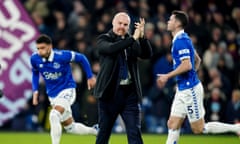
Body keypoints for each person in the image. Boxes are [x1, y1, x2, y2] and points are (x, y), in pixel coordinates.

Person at [156, 10, 240, 144]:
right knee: (172, 123)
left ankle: (237, 128)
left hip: (190, 91)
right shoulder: (183, 38)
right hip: (183, 88)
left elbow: (188, 65)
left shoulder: (180, 41)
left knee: (199, 128)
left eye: (171, 19)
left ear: (177, 23)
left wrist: (168, 76)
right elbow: (197, 60)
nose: (168, 21)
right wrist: (189, 77)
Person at [94, 12, 152, 144]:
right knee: (104, 133)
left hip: (129, 95)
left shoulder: (131, 41)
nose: (122, 27)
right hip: (109, 94)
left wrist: (142, 37)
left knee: (134, 133)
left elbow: (147, 54)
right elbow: (111, 49)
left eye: (125, 25)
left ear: (129, 26)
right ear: (113, 23)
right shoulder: (104, 39)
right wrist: (132, 39)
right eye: (119, 23)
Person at [30, 34, 98, 144]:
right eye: (38, 48)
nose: (40, 51)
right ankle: (96, 131)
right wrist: (35, 90)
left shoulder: (62, 55)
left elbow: (82, 58)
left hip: (67, 90)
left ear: (49, 47)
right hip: (53, 95)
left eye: (42, 48)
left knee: (53, 115)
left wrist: (90, 76)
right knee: (70, 128)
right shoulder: (34, 58)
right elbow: (35, 73)